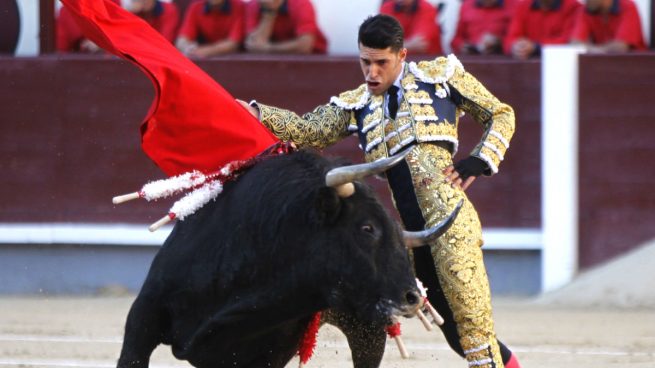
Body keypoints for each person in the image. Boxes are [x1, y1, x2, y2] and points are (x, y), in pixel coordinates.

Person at [239, 14, 521, 368]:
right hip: (409, 239)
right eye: (365, 62)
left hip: (451, 225)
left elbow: (501, 113)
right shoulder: (356, 104)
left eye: (381, 63)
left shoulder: (440, 78)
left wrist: (479, 160)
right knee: (452, 331)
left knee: (474, 331)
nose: (371, 72)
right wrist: (256, 112)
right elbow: (307, 129)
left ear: (402, 56)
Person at [504, 0, 582, 59]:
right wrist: (515, 46)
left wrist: (536, 47)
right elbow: (510, 38)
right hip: (528, 67)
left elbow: (570, 42)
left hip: (560, 66)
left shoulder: (573, 7)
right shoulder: (523, 6)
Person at [244, 0, 328, 54]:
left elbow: (304, 46)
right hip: (274, 63)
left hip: (312, 60)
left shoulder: (301, 4)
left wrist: (268, 48)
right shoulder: (253, 5)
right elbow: (255, 46)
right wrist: (269, 12)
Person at [176, 0, 245, 57]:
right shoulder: (196, 7)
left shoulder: (239, 6)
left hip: (231, 59)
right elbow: (182, 39)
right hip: (203, 56)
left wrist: (205, 51)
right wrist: (188, 48)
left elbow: (234, 43)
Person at [570, 0, 647, 52]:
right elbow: (575, 44)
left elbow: (620, 48)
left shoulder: (627, 6)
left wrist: (589, 49)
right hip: (601, 67)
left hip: (634, 67)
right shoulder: (586, 10)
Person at [451, 0, 516, 55]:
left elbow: (516, 38)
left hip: (501, 60)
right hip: (473, 60)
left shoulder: (513, 5)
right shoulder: (466, 5)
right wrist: (462, 46)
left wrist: (499, 42)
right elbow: (456, 40)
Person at [56, 0, 120, 52]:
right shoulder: (67, 11)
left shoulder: (112, 5)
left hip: (108, 59)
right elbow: (61, 50)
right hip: (81, 62)